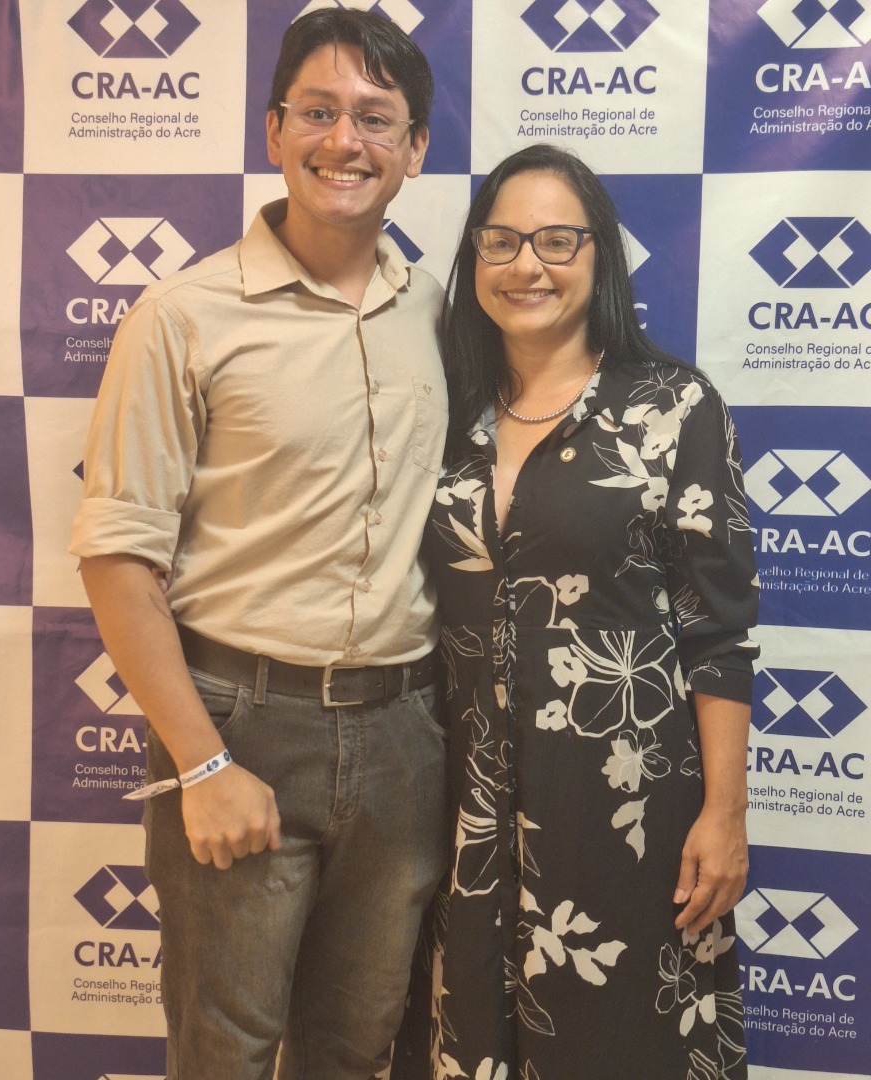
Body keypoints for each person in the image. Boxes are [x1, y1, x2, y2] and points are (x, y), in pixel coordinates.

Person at [69, 9, 448, 1079]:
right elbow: (117, 558)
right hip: (243, 724)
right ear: (274, 129)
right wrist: (204, 762)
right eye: (318, 112)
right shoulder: (181, 317)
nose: (345, 142)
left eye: (375, 118)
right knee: (225, 1053)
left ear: (415, 149)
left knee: (356, 1050)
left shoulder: (437, 312)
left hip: (406, 736)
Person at [396, 144, 760, 1079]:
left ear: (601, 256)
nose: (527, 265)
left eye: (557, 241)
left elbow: (719, 634)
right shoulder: (441, 410)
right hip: (460, 810)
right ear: (474, 256)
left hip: (627, 806)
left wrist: (725, 812)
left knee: (622, 1043)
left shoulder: (674, 409)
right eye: (502, 241)